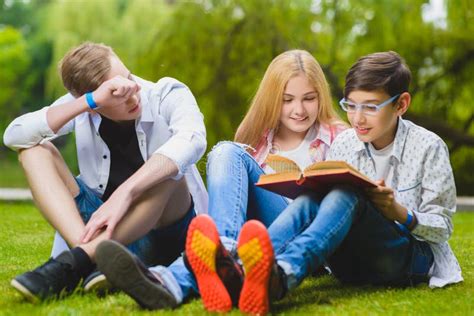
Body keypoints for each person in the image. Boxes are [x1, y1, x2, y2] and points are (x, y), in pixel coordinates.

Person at [93, 49, 347, 311]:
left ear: (321, 97)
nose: (299, 110)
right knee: (225, 151)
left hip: (307, 238)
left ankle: (208, 264)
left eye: (309, 99)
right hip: (255, 242)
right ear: (273, 99)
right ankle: (188, 273)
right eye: (287, 100)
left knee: (306, 199)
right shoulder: (258, 139)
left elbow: (348, 208)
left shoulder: (340, 138)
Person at [217, 51, 463, 314]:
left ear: (401, 104)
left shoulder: (428, 147)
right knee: (312, 198)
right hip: (351, 263)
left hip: (408, 259)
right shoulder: (346, 143)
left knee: (347, 194)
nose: (357, 118)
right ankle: (242, 268)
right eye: (351, 105)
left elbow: (444, 228)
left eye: (370, 107)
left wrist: (400, 213)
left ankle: (282, 274)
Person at [3, 42, 208, 303]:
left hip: (163, 231)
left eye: (128, 78)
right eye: (117, 94)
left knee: (169, 170)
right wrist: (88, 102)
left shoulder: (166, 93)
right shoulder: (83, 106)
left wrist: (125, 192)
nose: (133, 95)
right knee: (33, 150)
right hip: (102, 229)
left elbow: (193, 139)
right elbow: (14, 135)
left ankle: (77, 261)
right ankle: (90, 256)